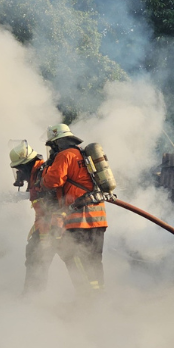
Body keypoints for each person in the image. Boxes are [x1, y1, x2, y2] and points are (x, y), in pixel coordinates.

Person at [42, 124, 108, 292]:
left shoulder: (65, 156)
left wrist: (43, 176)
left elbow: (53, 181)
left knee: (75, 259)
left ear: (57, 143)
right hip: (99, 218)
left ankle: (85, 299)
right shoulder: (84, 154)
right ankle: (99, 295)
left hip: (79, 219)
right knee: (94, 260)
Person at [9, 140, 58, 294]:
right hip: (45, 226)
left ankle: (32, 297)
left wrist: (26, 194)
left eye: (19, 168)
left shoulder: (44, 172)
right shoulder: (36, 174)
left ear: (26, 165)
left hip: (55, 226)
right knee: (34, 258)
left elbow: (51, 197)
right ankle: (32, 296)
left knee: (38, 259)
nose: (19, 173)